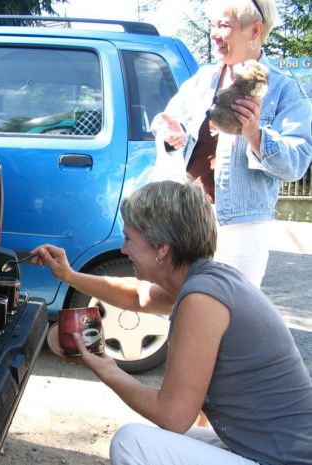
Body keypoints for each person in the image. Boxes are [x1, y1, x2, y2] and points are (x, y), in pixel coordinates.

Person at [31, 180, 312, 465]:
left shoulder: (202, 300)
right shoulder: (208, 279)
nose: (124, 249)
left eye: (129, 238)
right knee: (165, 442)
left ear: (161, 247)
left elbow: (172, 415)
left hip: (282, 459)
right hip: (265, 446)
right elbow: (138, 296)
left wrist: (107, 370)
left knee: (131, 443)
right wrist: (70, 276)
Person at [151, 0, 312, 288]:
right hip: (185, 216)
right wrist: (172, 130)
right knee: (174, 302)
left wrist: (254, 134)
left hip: (241, 225)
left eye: (223, 25)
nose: (214, 34)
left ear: (255, 30)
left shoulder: (285, 89)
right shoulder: (203, 79)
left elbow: (297, 162)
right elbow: (166, 121)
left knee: (231, 307)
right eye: (213, 25)